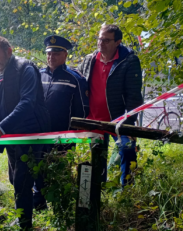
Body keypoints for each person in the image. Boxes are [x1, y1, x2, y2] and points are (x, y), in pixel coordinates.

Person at [0, 36, 51, 229]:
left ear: (8, 51)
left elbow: (27, 103)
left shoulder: (25, 69)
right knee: (14, 178)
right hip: (11, 135)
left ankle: (25, 224)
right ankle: (23, 217)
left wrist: (0, 128)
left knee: (22, 180)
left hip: (29, 135)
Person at [77, 24, 143, 186]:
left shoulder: (129, 61)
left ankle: (126, 193)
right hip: (93, 119)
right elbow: (78, 80)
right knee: (96, 158)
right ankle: (99, 193)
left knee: (127, 151)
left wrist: (129, 123)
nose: (101, 43)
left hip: (118, 121)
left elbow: (133, 95)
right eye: (100, 39)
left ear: (118, 42)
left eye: (106, 40)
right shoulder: (90, 59)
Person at [36, 35, 89, 209]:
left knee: (60, 172)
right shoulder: (37, 75)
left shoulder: (75, 79)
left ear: (65, 55)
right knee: (39, 169)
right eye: (49, 53)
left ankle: (60, 207)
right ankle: (40, 203)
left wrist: (73, 135)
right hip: (38, 134)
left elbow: (81, 110)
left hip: (63, 136)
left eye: (56, 53)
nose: (51, 57)